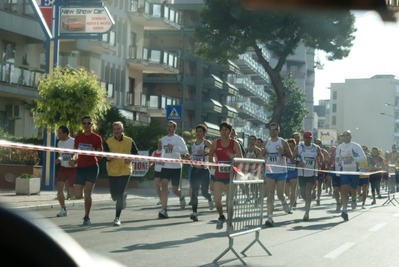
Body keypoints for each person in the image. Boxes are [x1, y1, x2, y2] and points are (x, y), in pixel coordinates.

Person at [208, 121, 243, 230]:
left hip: (231, 176)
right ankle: (221, 216)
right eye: (222, 130)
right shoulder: (215, 143)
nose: (223, 132)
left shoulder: (234, 143)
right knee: (217, 200)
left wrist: (233, 157)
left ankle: (230, 222)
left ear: (230, 131)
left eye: (226, 130)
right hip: (219, 175)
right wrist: (212, 164)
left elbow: (241, 159)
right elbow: (210, 155)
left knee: (229, 202)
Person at [257, 122, 292, 227]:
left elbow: (291, 155)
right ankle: (270, 217)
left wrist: (283, 153)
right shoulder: (266, 143)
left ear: (278, 131)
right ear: (269, 131)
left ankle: (284, 202)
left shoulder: (283, 142)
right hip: (270, 172)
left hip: (281, 172)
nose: (272, 131)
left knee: (280, 194)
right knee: (270, 194)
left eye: (275, 129)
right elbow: (260, 157)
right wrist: (262, 154)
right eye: (271, 129)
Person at [104, 121, 139, 226]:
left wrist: (131, 158)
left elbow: (136, 153)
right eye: (114, 129)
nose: (116, 131)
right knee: (114, 196)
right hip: (113, 171)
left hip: (125, 170)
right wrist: (107, 157)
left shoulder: (129, 141)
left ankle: (117, 218)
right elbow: (105, 155)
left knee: (118, 195)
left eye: (118, 129)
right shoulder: (108, 141)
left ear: (122, 130)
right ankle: (123, 196)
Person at [71, 116, 103, 225]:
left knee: (87, 193)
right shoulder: (78, 137)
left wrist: (94, 151)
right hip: (80, 168)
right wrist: (73, 159)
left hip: (92, 167)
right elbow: (75, 153)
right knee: (77, 195)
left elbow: (100, 156)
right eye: (84, 123)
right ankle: (86, 203)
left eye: (89, 123)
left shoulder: (97, 138)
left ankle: (86, 216)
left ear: (92, 124)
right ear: (82, 125)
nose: (86, 125)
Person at [158, 121, 188, 219]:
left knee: (175, 190)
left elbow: (185, 151)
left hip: (176, 167)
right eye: (167, 126)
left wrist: (174, 148)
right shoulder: (163, 139)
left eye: (171, 127)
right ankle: (164, 209)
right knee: (164, 186)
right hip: (166, 166)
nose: (169, 128)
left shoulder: (178, 139)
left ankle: (181, 196)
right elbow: (163, 151)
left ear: (175, 128)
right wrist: (162, 160)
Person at [335, 130, 366, 221]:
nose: (345, 137)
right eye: (343, 135)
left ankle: (354, 198)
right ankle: (345, 210)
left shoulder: (355, 146)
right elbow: (338, 158)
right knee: (344, 190)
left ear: (350, 136)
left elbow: (363, 157)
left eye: (347, 135)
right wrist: (338, 160)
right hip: (344, 171)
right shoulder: (339, 147)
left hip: (354, 171)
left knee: (353, 189)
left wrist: (353, 158)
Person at [293, 131, 323, 221]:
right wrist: (298, 162)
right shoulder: (299, 147)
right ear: (303, 138)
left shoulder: (315, 147)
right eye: (305, 138)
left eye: (309, 138)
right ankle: (308, 202)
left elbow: (321, 156)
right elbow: (292, 157)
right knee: (302, 193)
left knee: (307, 191)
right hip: (302, 173)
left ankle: (307, 212)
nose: (307, 139)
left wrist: (320, 162)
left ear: (311, 138)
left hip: (312, 173)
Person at [186, 124, 214, 222]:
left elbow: (214, 152)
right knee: (194, 192)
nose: (198, 133)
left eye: (200, 131)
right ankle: (194, 213)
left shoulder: (206, 142)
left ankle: (209, 198)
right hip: (195, 170)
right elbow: (190, 155)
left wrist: (205, 153)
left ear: (204, 133)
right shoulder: (193, 144)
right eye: (197, 131)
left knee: (204, 192)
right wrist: (187, 157)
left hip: (204, 171)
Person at [55, 125, 77, 217]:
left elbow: (77, 153)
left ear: (65, 133)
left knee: (73, 193)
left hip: (73, 169)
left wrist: (73, 159)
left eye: (59, 133)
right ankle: (63, 209)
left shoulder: (73, 141)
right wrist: (59, 159)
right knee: (59, 188)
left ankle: (86, 195)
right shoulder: (59, 143)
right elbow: (61, 155)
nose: (58, 135)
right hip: (63, 168)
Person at [314, 139, 330, 206]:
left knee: (319, 185)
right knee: (313, 184)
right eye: (316, 143)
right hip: (313, 170)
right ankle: (313, 191)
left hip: (321, 171)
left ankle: (318, 198)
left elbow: (329, 160)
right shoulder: (311, 151)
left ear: (321, 144)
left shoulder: (324, 151)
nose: (318, 144)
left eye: (319, 143)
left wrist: (325, 162)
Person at [285, 138, 298, 214]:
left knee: (293, 189)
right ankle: (290, 198)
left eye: (292, 146)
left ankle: (291, 206)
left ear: (295, 146)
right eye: (289, 146)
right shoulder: (285, 152)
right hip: (286, 172)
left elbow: (294, 160)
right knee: (286, 191)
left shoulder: (297, 152)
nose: (290, 147)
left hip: (294, 173)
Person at [150, 139, 163, 205]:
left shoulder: (164, 152)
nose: (159, 145)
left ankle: (165, 193)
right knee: (157, 185)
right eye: (159, 143)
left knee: (162, 185)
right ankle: (161, 199)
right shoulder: (154, 152)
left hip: (163, 170)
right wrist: (150, 164)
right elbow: (152, 161)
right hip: (157, 170)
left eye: (161, 143)